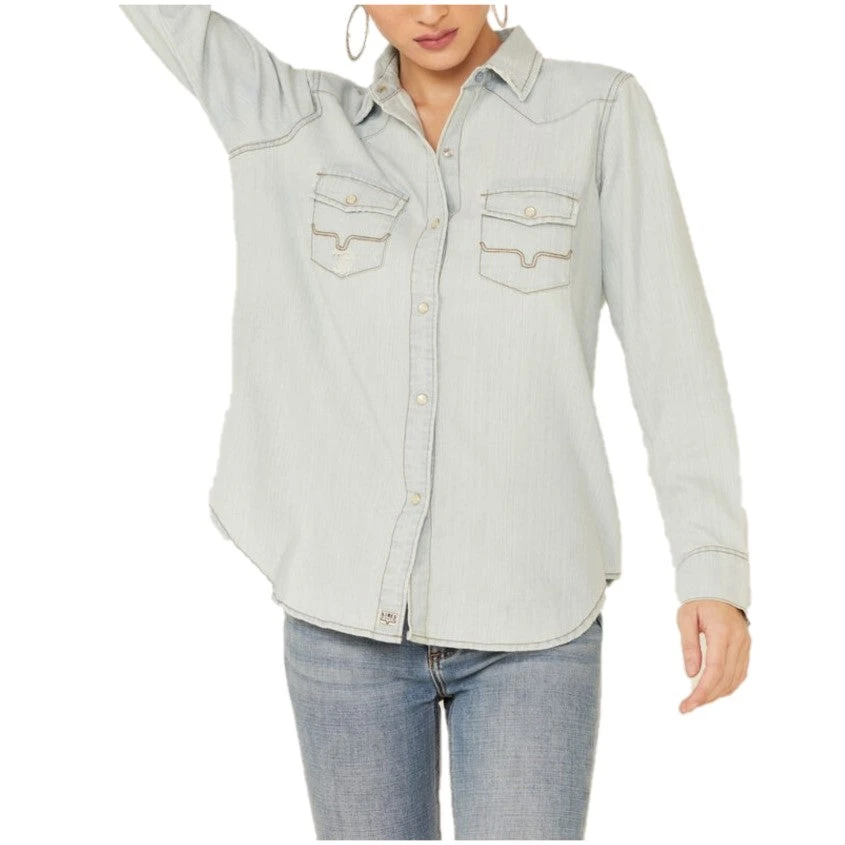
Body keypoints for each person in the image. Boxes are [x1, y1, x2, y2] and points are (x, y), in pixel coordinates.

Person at [119, 4, 752, 839]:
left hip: (534, 624)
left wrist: (712, 568)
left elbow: (675, 355)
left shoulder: (597, 115)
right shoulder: (293, 121)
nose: (426, 11)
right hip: (343, 630)